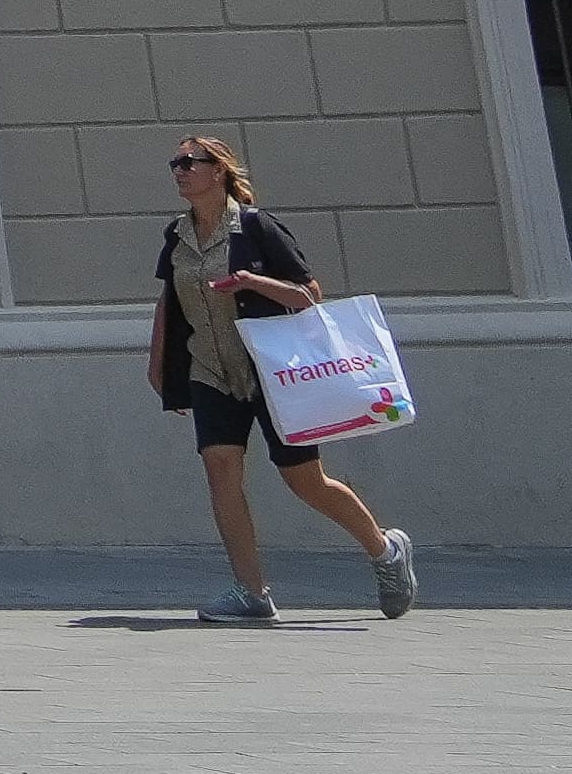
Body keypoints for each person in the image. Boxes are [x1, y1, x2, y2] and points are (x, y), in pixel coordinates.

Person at [149, 130, 416, 623]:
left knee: (305, 481)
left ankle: (384, 550)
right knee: (221, 473)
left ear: (219, 170)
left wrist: (251, 282)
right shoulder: (176, 235)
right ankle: (251, 592)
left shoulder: (255, 228)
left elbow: (309, 293)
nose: (180, 170)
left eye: (192, 162)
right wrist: (160, 363)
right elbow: (171, 299)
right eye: (176, 164)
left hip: (272, 375)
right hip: (212, 370)